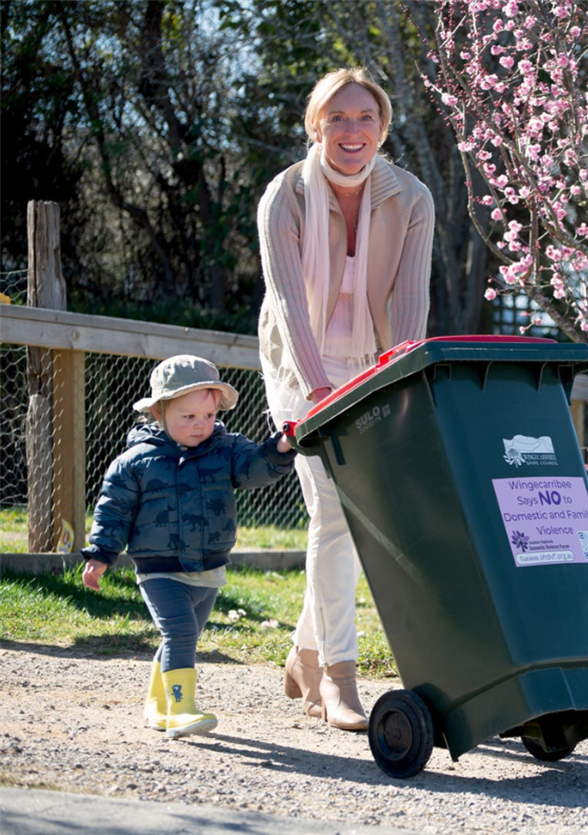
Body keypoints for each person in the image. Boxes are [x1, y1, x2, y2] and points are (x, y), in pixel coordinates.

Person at [257, 68, 433, 730]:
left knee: (355, 517)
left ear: (383, 127)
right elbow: (289, 305)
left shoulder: (411, 198)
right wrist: (316, 392)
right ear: (316, 127)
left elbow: (410, 305)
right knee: (335, 509)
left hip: (374, 363)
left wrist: (400, 382)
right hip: (303, 365)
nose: (351, 131)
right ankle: (338, 679)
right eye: (337, 119)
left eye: (365, 118)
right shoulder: (286, 198)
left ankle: (306, 651)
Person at [81, 355, 298, 739]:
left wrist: (279, 448)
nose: (201, 425)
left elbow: (255, 469)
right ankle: (182, 710)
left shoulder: (227, 450)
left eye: (209, 416)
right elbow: (113, 511)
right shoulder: (136, 461)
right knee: (180, 632)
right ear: (159, 413)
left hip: (209, 567)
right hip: (159, 567)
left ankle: (157, 706)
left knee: (181, 637)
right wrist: (101, 555)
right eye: (188, 417)